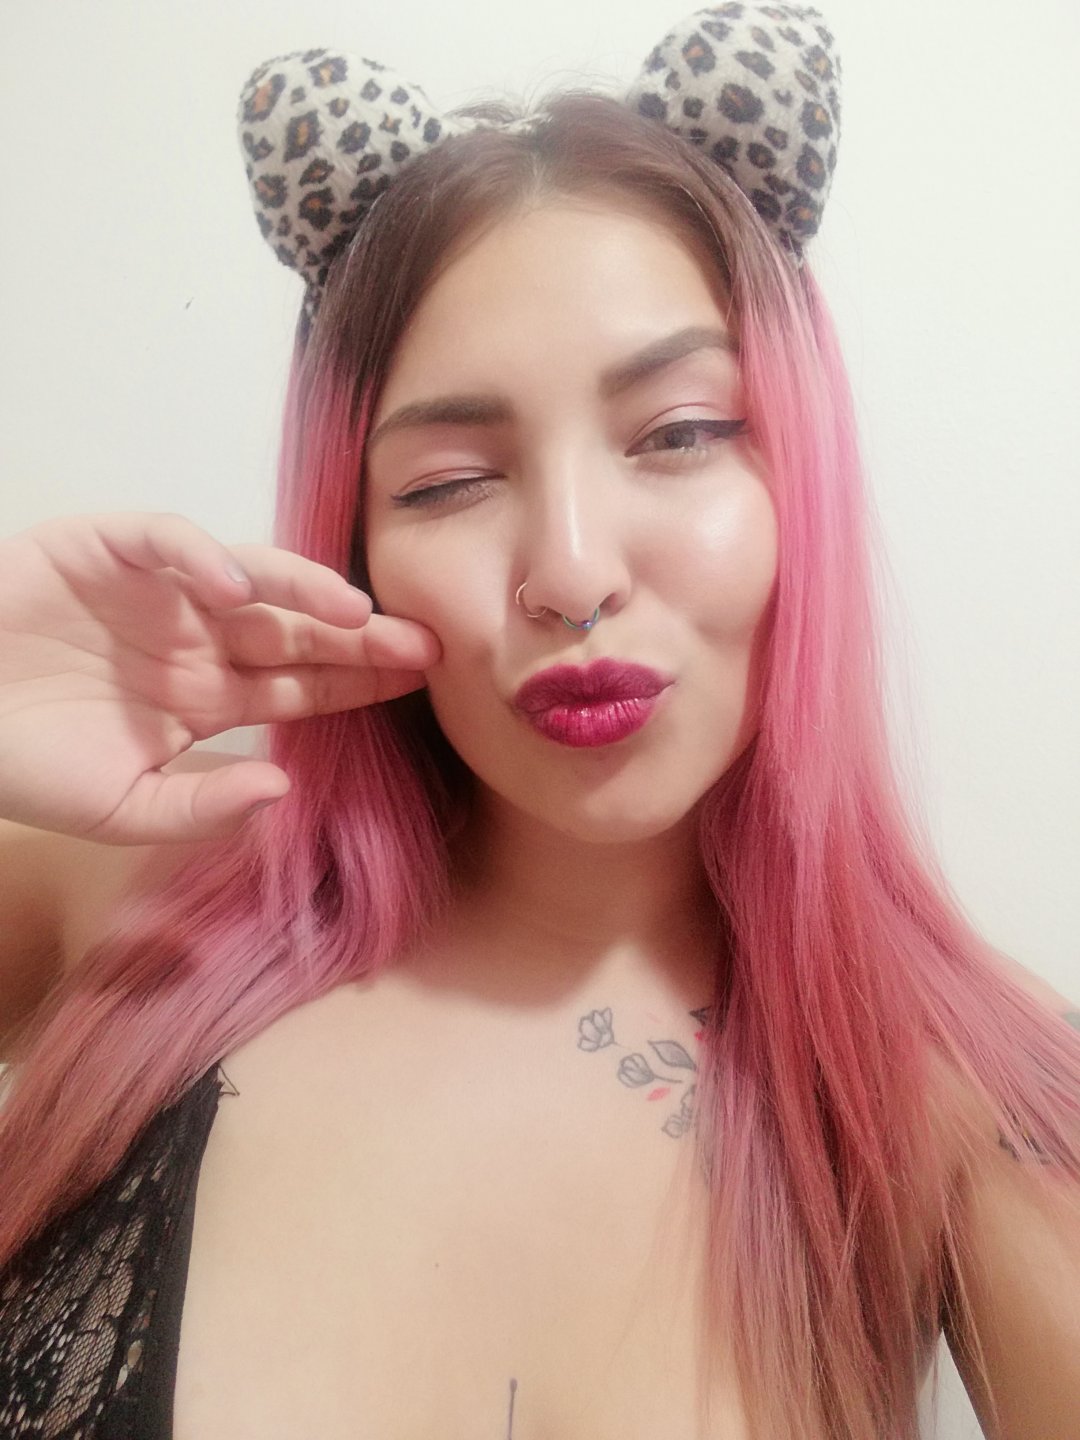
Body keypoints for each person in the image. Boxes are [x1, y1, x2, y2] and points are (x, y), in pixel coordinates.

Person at [1, 7, 1079, 1438]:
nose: (570, 571)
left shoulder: (966, 1095)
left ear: (798, 472)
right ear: (356, 541)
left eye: (680, 434)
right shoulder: (144, 908)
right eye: (449, 482)